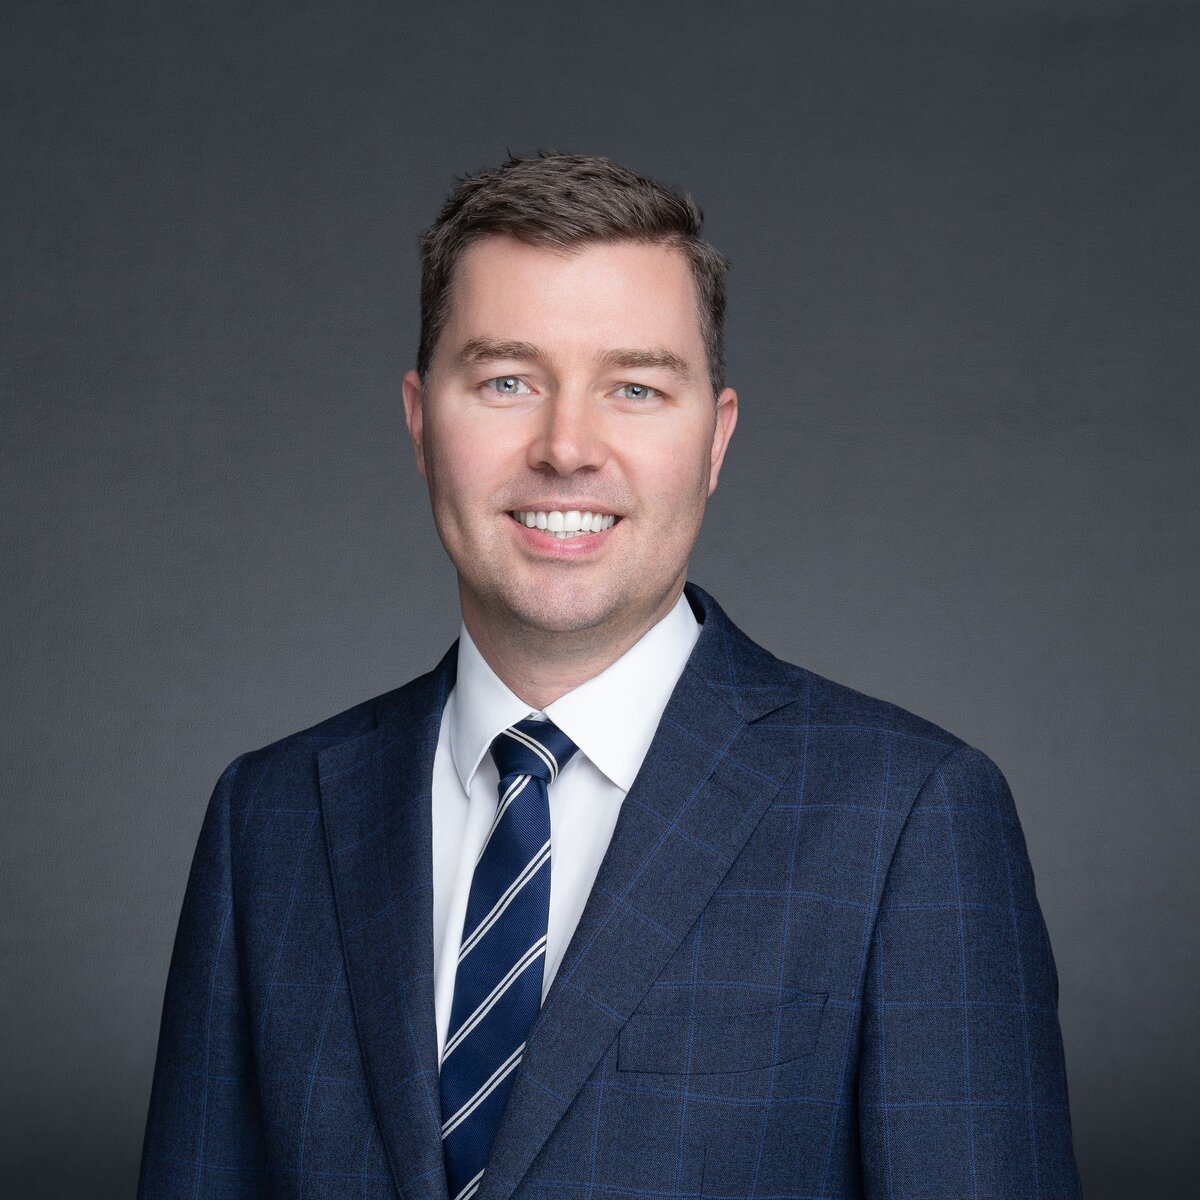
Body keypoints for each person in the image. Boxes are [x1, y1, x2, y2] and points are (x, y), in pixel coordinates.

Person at [138, 152, 1083, 1200]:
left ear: (715, 441)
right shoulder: (267, 820)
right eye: (506, 381)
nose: (567, 447)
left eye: (634, 387)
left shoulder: (909, 817)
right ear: (420, 423)